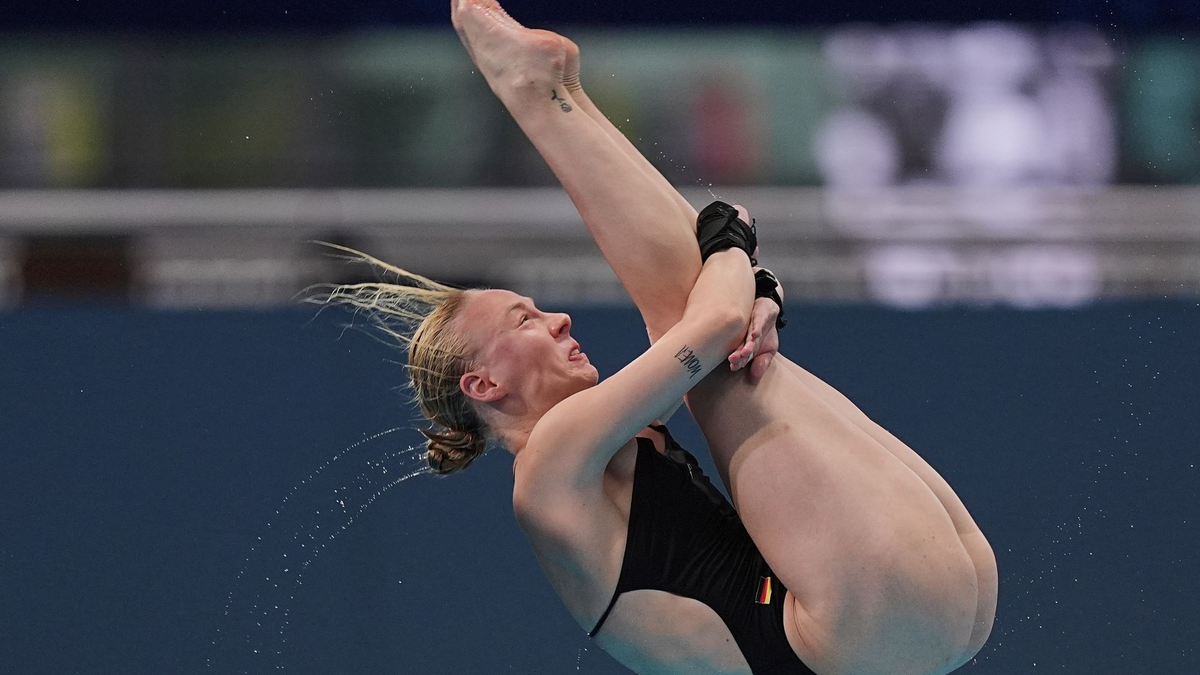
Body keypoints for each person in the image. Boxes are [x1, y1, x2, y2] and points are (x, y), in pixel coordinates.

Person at [314, 2, 998, 674]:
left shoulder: (599, 455)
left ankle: (548, 90)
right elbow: (707, 326)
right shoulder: (547, 467)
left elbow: (715, 321)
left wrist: (750, 277)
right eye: (524, 320)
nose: (558, 320)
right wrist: (735, 244)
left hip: (907, 623)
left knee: (707, 342)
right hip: (856, 629)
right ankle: (536, 92)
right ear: (484, 385)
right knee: (706, 348)